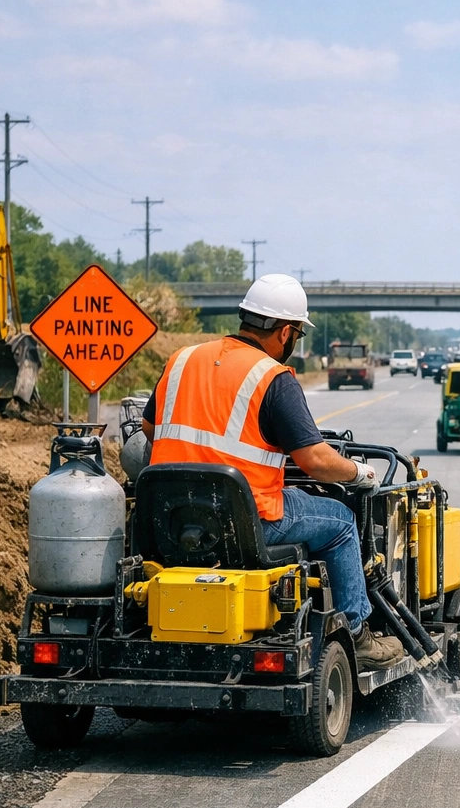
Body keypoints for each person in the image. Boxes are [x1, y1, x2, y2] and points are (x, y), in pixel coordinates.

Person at [140, 273, 405, 670]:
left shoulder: (182, 360)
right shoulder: (272, 378)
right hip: (249, 523)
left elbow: (149, 428)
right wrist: (358, 473)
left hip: (173, 522)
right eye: (296, 335)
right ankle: (356, 630)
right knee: (342, 522)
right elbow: (314, 461)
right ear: (285, 333)